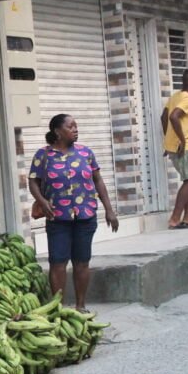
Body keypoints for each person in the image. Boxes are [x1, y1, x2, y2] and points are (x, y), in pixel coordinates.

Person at [28, 114, 119, 313]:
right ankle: (57, 307)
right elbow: (33, 181)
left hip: (85, 216)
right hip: (57, 217)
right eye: (71, 126)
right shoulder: (43, 155)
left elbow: (98, 180)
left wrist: (109, 210)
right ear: (57, 132)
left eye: (76, 126)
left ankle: (80, 305)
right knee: (58, 263)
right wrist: (42, 202)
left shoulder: (85, 153)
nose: (75, 129)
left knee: (82, 262)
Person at [161, 68, 188, 229]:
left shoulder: (175, 96)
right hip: (183, 145)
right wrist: (181, 140)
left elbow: (163, 117)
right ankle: (175, 219)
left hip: (175, 145)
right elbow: (173, 117)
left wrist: (168, 140)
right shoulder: (187, 99)